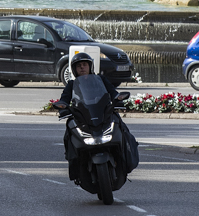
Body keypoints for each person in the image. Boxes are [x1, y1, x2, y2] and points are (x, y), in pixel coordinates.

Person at [55, 52, 138, 182]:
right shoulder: (72, 84)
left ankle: (126, 156)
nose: (82, 67)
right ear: (74, 69)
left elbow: (112, 92)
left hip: (102, 113)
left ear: (90, 66)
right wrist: (63, 106)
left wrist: (118, 98)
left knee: (121, 126)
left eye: (84, 65)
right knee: (69, 131)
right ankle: (74, 163)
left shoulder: (101, 80)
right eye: (79, 66)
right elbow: (65, 98)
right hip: (82, 116)